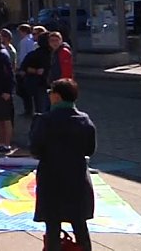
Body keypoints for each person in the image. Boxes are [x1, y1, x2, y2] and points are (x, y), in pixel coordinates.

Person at [31, 79, 96, 251]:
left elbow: (36, 150)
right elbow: (90, 149)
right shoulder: (85, 120)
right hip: (77, 178)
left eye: (51, 92)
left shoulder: (44, 120)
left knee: (53, 224)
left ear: (57, 97)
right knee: (79, 222)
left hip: (52, 178)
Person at [20, 32, 52, 115]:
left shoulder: (35, 53)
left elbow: (23, 67)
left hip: (41, 83)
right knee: (43, 108)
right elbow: (24, 67)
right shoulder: (41, 54)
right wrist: (36, 71)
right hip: (41, 84)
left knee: (41, 108)